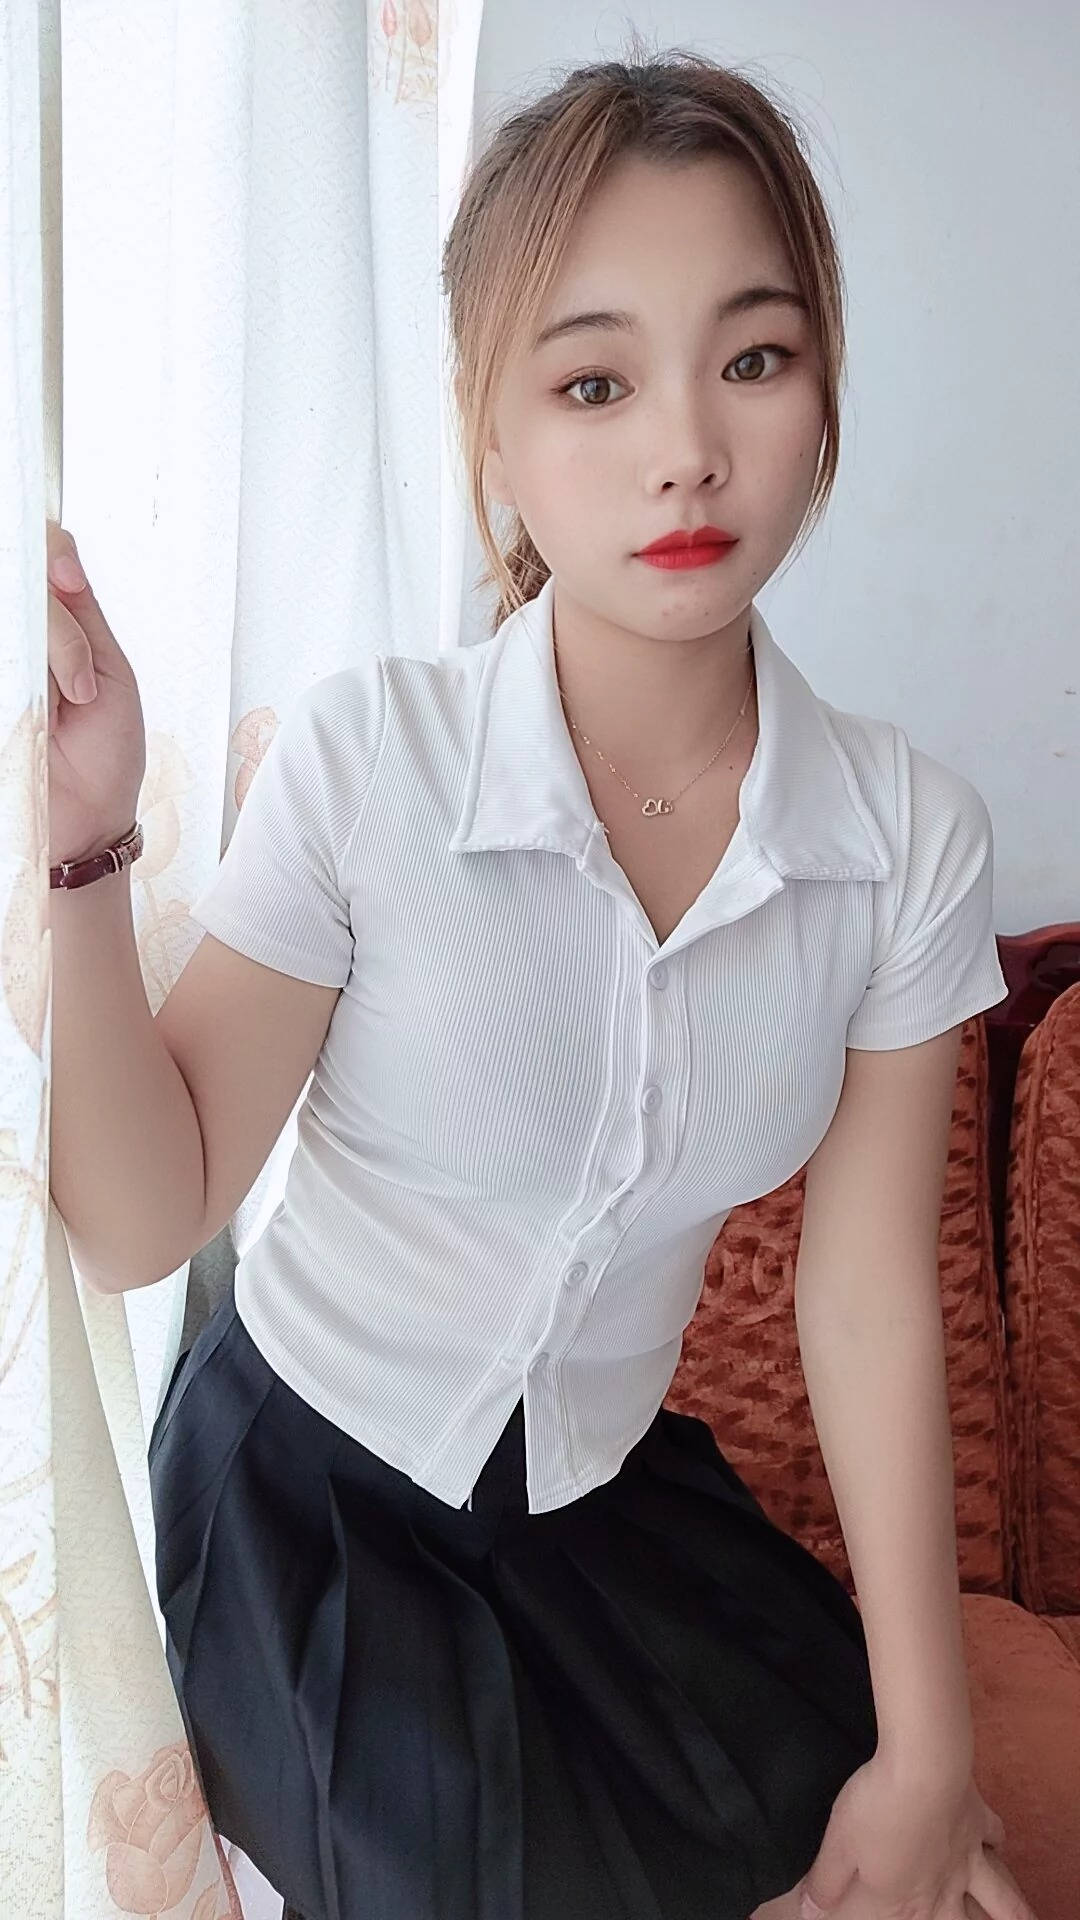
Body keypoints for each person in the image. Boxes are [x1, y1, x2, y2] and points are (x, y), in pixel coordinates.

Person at [47, 42, 1038, 1920]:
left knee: (935, 1883)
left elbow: (860, 1301)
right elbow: (140, 1221)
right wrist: (84, 852)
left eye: (755, 358)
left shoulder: (905, 839)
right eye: (595, 382)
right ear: (490, 439)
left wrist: (932, 1754)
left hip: (606, 1511)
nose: (686, 450)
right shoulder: (372, 764)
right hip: (312, 1510)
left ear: (825, 389)